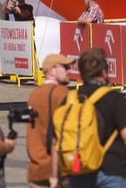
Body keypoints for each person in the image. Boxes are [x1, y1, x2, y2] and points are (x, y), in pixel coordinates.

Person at [52, 47, 126, 188]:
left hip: (79, 171)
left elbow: (55, 140)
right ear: (104, 71)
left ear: (82, 73)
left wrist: (55, 177)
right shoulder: (114, 98)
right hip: (112, 172)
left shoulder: (70, 99)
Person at [27, 54, 74, 188]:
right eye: (65, 67)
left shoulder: (34, 94)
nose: (69, 70)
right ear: (51, 70)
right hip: (58, 170)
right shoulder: (62, 93)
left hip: (36, 169)